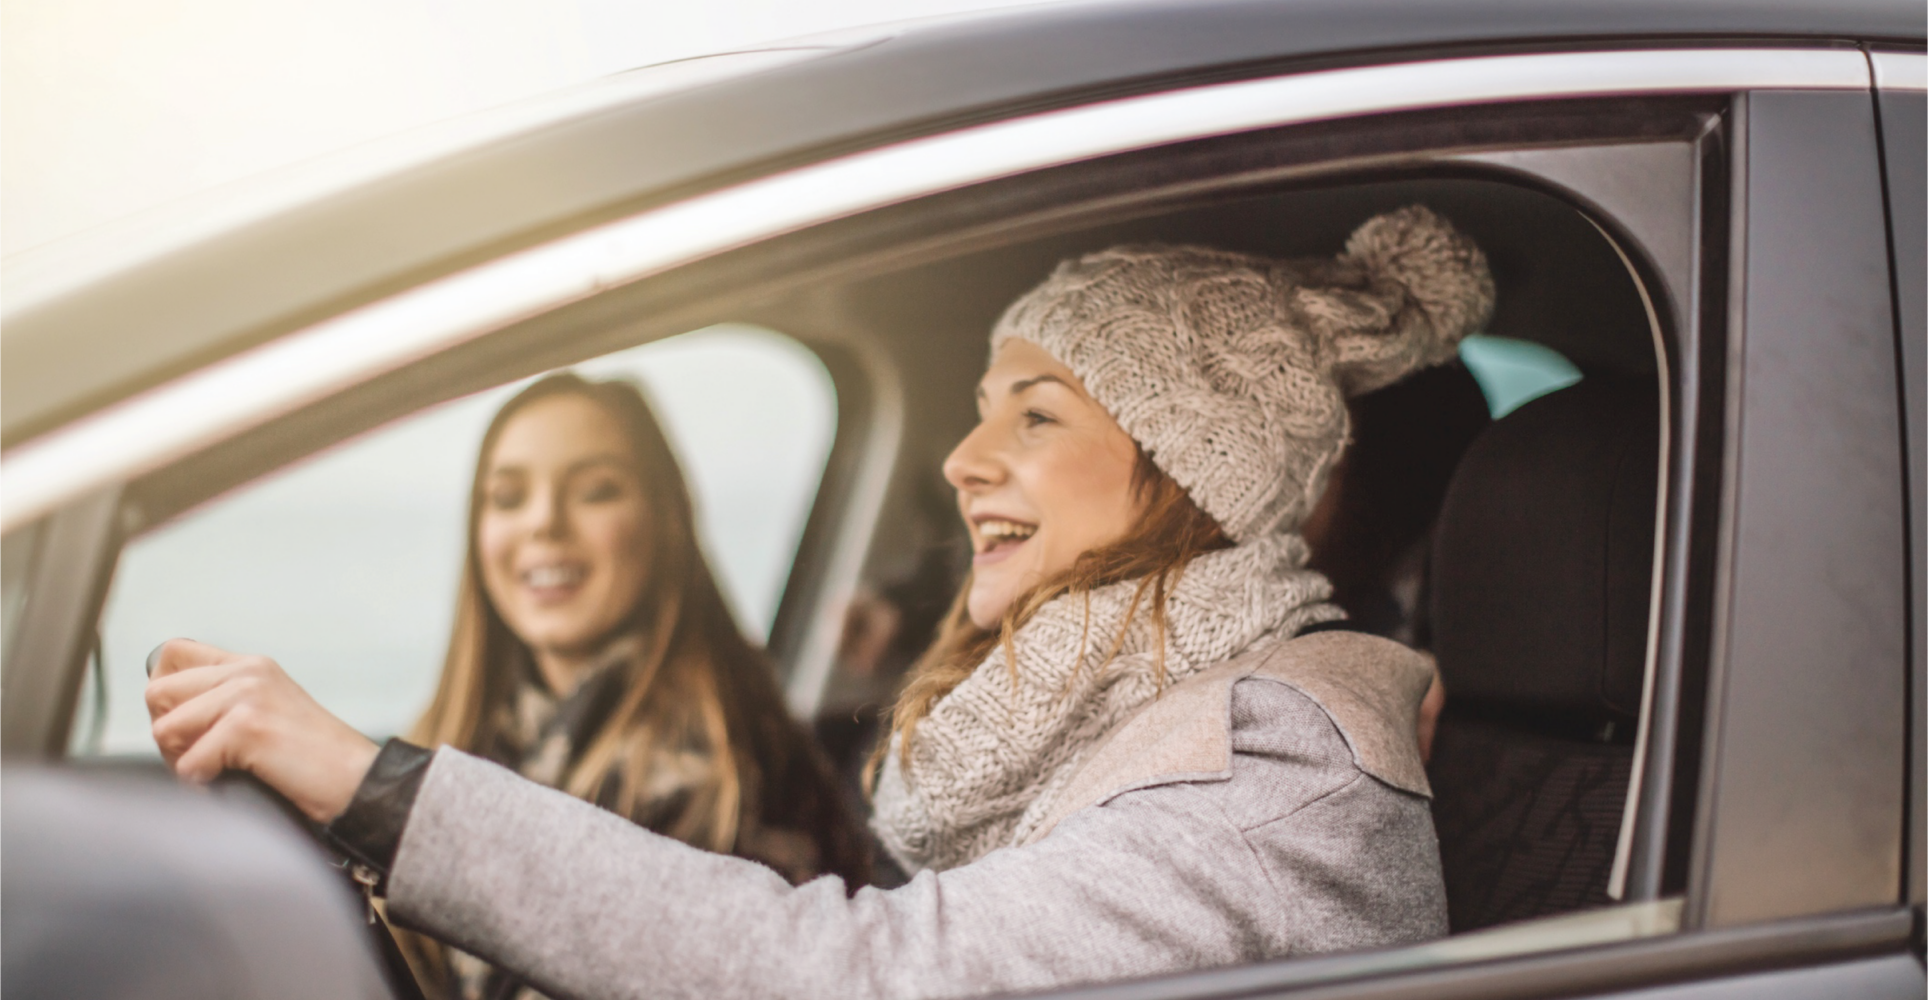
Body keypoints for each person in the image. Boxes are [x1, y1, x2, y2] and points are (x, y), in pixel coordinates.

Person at [146, 204, 1495, 1000]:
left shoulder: (1272, 773)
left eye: (1035, 417)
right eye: (977, 417)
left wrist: (370, 784)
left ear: (1191, 471)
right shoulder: (1142, 713)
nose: (965, 464)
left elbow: (855, 979)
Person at [388, 374, 870, 998]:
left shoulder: (725, 781)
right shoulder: (453, 745)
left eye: (595, 491)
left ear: (666, 520)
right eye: (507, 498)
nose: (543, 523)